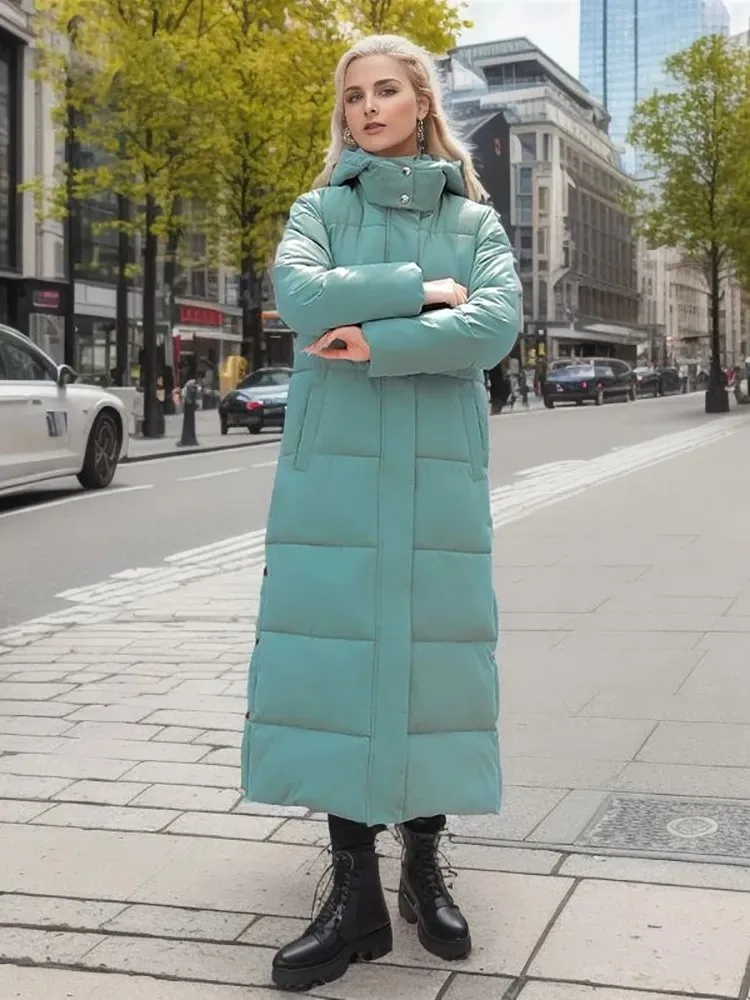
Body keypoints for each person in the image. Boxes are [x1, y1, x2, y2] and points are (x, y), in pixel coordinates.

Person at [240, 33, 519, 992]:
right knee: (337, 659)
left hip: (438, 469)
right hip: (336, 475)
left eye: (386, 90)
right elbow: (298, 295)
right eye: (354, 94)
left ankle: (424, 868)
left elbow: (495, 326)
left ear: (421, 103)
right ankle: (351, 887)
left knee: (434, 661)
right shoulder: (320, 208)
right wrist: (424, 291)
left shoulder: (475, 220)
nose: (368, 107)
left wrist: (386, 337)